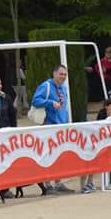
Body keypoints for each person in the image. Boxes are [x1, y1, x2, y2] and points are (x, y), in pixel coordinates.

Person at [31, 65, 74, 193]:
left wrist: (66, 123)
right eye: (61, 74)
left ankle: (58, 182)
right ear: (54, 73)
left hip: (60, 126)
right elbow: (35, 100)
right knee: (48, 155)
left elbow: (64, 108)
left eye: (65, 74)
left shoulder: (63, 88)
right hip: (49, 125)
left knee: (59, 156)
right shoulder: (46, 86)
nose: (63, 77)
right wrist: (50, 103)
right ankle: (48, 184)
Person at [81, 98, 111, 194]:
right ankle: (84, 185)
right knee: (90, 162)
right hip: (95, 142)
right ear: (106, 106)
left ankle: (95, 182)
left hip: (107, 143)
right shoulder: (101, 114)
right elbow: (100, 125)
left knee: (103, 162)